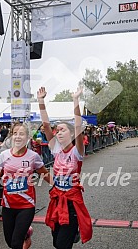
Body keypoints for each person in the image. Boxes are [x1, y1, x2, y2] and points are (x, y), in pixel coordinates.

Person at [37, 87, 93, 249]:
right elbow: (46, 126)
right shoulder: (55, 149)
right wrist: (41, 101)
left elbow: (77, 127)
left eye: (62, 130)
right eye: (57, 130)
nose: (58, 132)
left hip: (71, 201)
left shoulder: (77, 152)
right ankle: (71, 233)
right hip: (57, 199)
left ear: (71, 133)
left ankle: (71, 230)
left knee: (62, 245)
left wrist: (76, 100)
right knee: (56, 242)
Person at [0, 121, 52, 249]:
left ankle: (23, 235)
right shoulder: (4, 155)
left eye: (21, 134)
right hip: (8, 204)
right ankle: (26, 235)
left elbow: (44, 174)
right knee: (10, 242)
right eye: (15, 133)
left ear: (28, 137)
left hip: (26, 205)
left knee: (16, 243)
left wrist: (59, 186)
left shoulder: (33, 156)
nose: (18, 136)